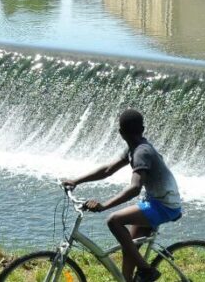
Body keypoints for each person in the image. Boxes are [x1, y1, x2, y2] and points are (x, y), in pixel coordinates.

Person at [62, 110, 182, 282]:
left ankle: (146, 271)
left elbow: (134, 188)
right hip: (155, 201)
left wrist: (104, 206)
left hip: (164, 206)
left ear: (120, 133)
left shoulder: (142, 152)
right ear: (142, 129)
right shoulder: (134, 148)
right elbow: (107, 170)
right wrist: (76, 181)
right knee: (129, 247)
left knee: (114, 220)